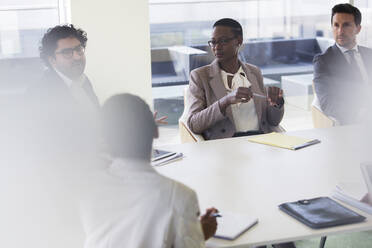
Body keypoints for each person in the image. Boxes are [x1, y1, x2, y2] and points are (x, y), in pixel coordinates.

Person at [80, 93, 218, 248]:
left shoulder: (86, 188)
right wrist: (200, 234)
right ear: (156, 131)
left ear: (103, 139)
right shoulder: (180, 196)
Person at [27, 24, 167, 124]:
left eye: (79, 49)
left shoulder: (82, 81)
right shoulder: (41, 92)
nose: (76, 56)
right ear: (52, 60)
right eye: (67, 53)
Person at [187, 18, 284, 140]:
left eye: (223, 41)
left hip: (261, 141)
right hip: (226, 145)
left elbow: (273, 121)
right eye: (213, 42)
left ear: (239, 41)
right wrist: (225, 101)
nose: (216, 47)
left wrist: (276, 104)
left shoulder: (254, 72)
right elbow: (193, 124)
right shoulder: (200, 76)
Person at [313, 3, 372, 125]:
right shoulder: (324, 61)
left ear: (358, 29)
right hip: (352, 123)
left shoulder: (369, 55)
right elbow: (328, 103)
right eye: (336, 25)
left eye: (346, 25)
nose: (340, 31)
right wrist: (363, 113)